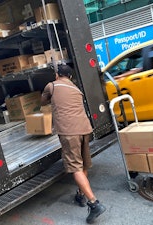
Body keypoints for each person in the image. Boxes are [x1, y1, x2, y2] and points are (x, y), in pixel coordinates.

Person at [41, 64, 106, 224]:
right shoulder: (77, 89)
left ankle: (94, 203)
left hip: (69, 132)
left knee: (75, 166)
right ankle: (81, 194)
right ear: (70, 77)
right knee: (83, 164)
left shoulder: (52, 86)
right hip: (85, 129)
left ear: (57, 75)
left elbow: (43, 102)